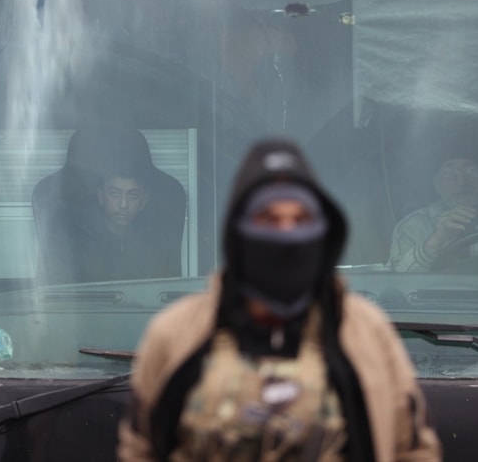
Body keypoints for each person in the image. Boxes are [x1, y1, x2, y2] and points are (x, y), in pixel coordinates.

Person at [117, 138, 441, 461]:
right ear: (238, 231)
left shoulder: (367, 333)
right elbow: (139, 449)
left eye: (300, 220)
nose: (287, 235)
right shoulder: (175, 334)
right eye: (269, 219)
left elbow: (413, 450)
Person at [33, 126, 185, 284]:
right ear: (101, 197)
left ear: (144, 201)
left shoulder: (155, 248)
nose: (123, 204)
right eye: (115, 194)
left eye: (133, 195)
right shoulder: (77, 249)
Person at [388, 158, 478, 272]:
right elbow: (396, 283)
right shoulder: (412, 226)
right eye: (448, 174)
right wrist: (436, 241)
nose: (462, 183)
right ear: (437, 185)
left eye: (471, 171)